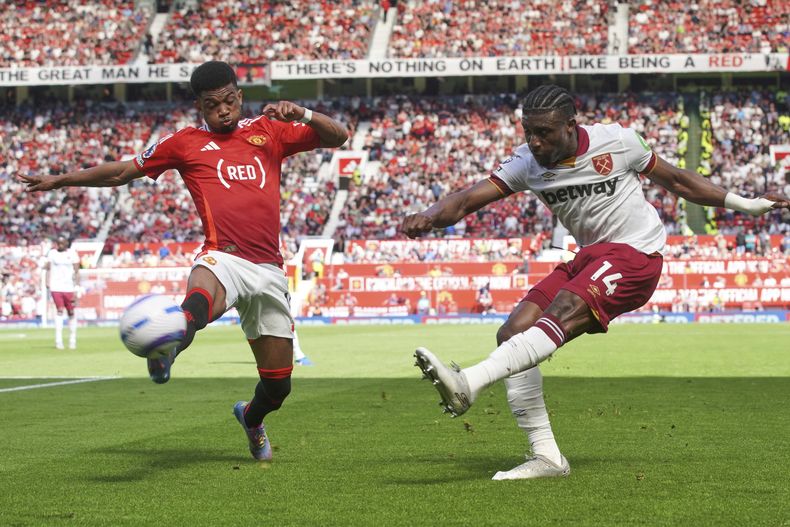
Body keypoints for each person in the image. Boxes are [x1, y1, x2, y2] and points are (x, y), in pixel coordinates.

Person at [401, 84, 789, 480]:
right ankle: (547, 456)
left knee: (562, 311)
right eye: (528, 132)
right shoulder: (526, 163)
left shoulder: (617, 142)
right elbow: (467, 200)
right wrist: (429, 216)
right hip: (589, 256)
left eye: (544, 133)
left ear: (571, 125)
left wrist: (745, 203)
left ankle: (469, 383)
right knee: (513, 331)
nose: (534, 142)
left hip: (636, 255)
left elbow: (679, 181)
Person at [19, 61, 348, 461]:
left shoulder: (270, 131)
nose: (223, 110)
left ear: (239, 97)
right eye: (213, 105)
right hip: (222, 256)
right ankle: (166, 350)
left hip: (268, 269)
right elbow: (122, 171)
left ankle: (251, 417)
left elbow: (339, 137)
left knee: (278, 387)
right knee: (197, 304)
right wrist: (62, 179)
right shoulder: (184, 143)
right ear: (199, 106)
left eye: (229, 101)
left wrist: (304, 114)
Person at [44, 236, 80, 349]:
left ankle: (72, 339)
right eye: (58, 243)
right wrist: (47, 281)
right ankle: (58, 340)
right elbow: (48, 268)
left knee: (71, 312)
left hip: (69, 287)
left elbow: (77, 272)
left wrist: (76, 288)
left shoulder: (73, 254)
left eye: (62, 243)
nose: (60, 245)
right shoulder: (52, 253)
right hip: (56, 286)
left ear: (66, 243)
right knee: (59, 310)